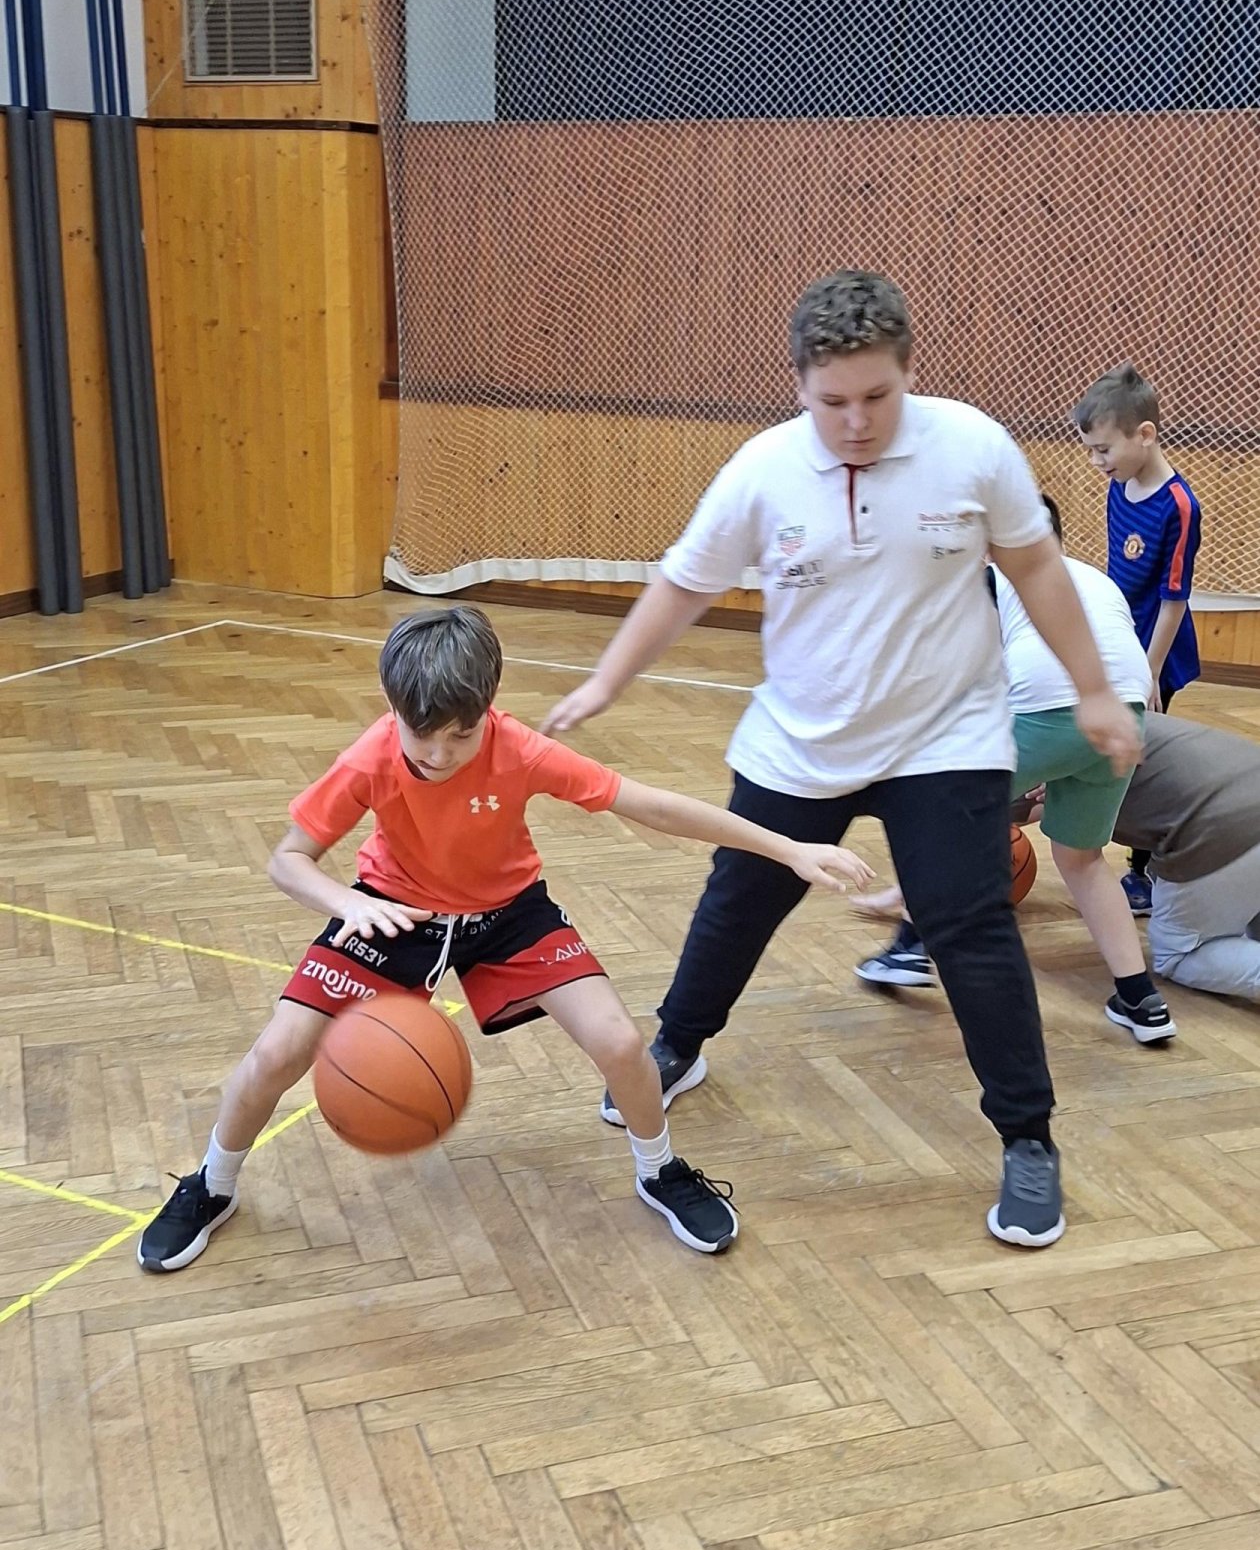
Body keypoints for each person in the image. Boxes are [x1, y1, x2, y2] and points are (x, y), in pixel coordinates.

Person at [543, 271, 1140, 1251]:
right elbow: (682, 586)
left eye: (877, 397)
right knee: (741, 897)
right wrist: (607, 682)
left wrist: (1093, 688)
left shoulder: (972, 448)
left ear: (910, 371)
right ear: (800, 382)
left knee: (971, 925)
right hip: (804, 737)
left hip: (946, 734)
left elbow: (1035, 569)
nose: (855, 422)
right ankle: (678, 1048)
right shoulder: (761, 470)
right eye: (833, 401)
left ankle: (1028, 1141)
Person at [138, 607, 872, 1275]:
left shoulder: (520, 750)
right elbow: (287, 859)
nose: (438, 752)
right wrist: (344, 905)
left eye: (461, 734)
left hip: (509, 914)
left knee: (620, 1042)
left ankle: (660, 1169)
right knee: (275, 1051)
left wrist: (790, 847)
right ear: (394, 708)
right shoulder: (370, 756)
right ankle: (212, 1183)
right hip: (392, 913)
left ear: (487, 709)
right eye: (420, 733)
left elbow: (652, 805)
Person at [858, 499, 1175, 1043]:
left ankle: (910, 946)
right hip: (1126, 713)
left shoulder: (995, 578)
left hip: (1051, 707)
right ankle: (1140, 999)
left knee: (932, 813)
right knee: (1081, 859)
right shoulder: (1097, 579)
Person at [1074, 362, 1202, 916]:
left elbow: (1174, 600)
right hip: (1120, 636)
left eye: (1104, 450)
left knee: (1142, 758)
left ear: (1144, 435)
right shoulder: (1121, 485)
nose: (1098, 462)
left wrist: (1148, 670)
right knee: (1107, 747)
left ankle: (1144, 874)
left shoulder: (1179, 505)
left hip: (1156, 648)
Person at [1114, 714, 1260, 1004]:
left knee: (1179, 955)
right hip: (1244, 794)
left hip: (1223, 829)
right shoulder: (1125, 711)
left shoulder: (1028, 736)